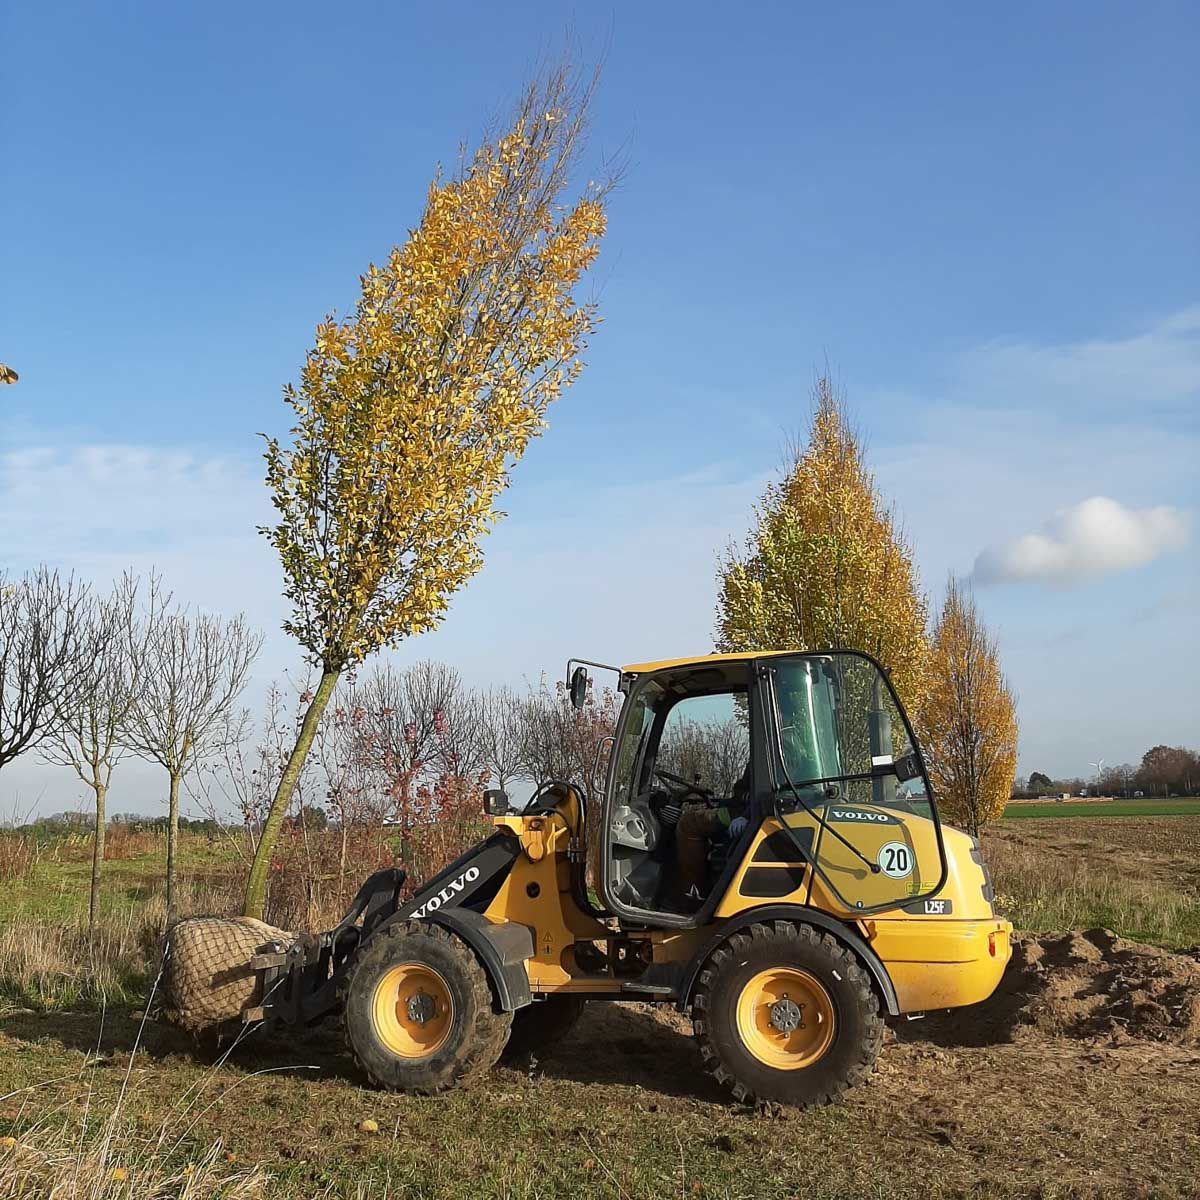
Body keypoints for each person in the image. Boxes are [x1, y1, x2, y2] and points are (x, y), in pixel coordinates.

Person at [673, 765, 751, 907]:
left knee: (688, 823)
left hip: (744, 811)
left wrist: (747, 815)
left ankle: (694, 894)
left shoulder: (777, 754)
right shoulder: (783, 752)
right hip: (743, 808)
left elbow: (763, 792)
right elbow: (744, 789)